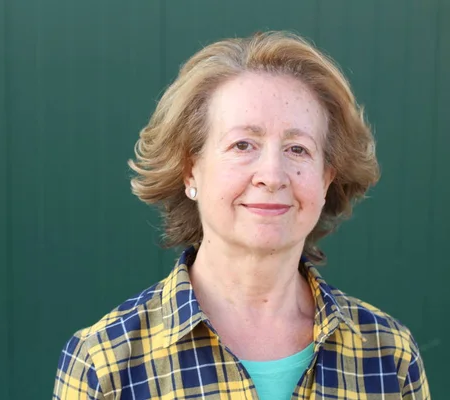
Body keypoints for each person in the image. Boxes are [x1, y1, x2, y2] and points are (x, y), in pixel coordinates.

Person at [53, 31, 430, 399]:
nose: (272, 176)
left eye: (298, 149)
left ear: (326, 177)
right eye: (242, 144)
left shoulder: (388, 355)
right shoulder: (105, 363)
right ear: (190, 170)